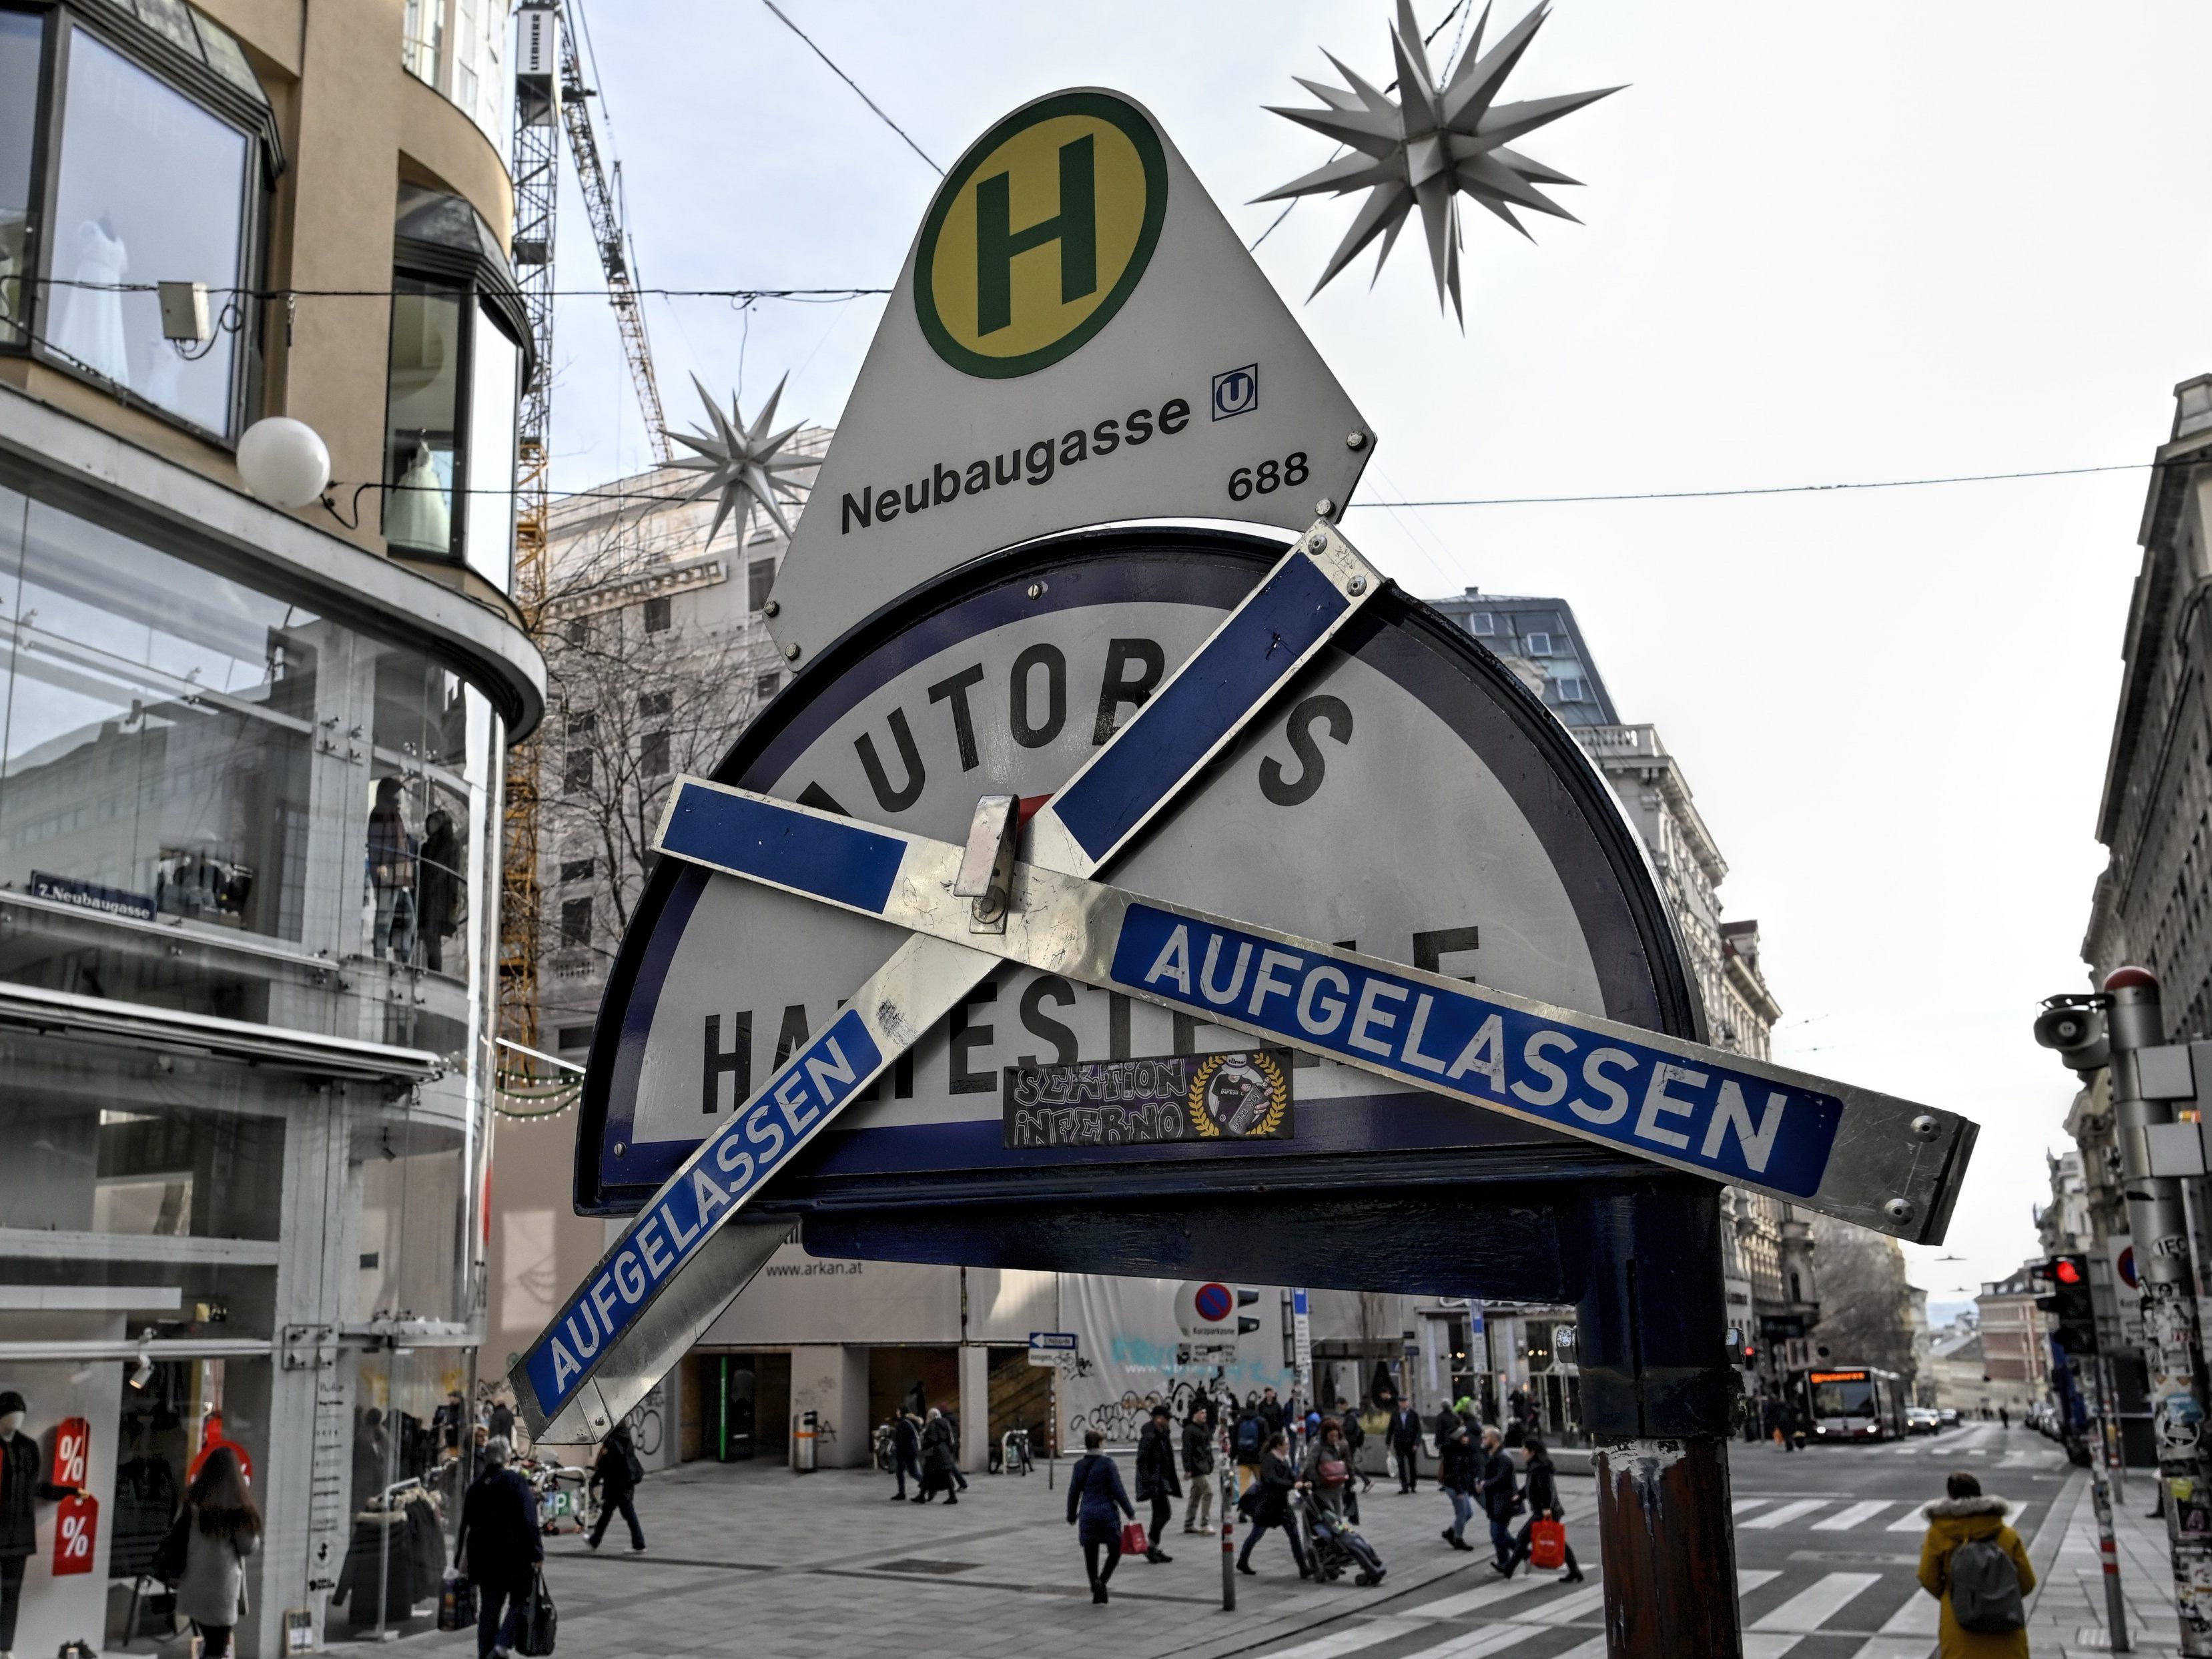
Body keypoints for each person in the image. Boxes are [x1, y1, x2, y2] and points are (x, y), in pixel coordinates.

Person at [1916, 1470, 2034, 1658]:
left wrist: (1954, 1595)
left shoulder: (1938, 1534)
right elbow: (2027, 1582)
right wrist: (2001, 1593)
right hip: (2005, 1624)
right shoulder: (2007, 1535)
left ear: (1951, 1496)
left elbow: (1927, 1576)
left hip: (1959, 1623)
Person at [173, 1445, 260, 1659]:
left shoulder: (192, 1501)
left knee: (212, 1643)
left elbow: (178, 1536)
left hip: (194, 1582)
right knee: (217, 1647)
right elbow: (248, 1547)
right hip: (221, 1589)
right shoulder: (237, 1509)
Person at [458, 1437, 541, 1659]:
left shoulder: (476, 1486)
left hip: (484, 1560)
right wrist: (537, 1551)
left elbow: (465, 1526)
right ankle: (502, 1645)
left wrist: (459, 1560)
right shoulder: (515, 1481)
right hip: (514, 1557)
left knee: (489, 1609)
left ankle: (486, 1653)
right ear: (507, 1457)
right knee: (520, 1600)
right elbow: (529, 1519)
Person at [1066, 1430, 1136, 1604]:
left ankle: (1095, 1588)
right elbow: (1118, 1490)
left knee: (1091, 1553)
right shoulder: (1108, 1464)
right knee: (1116, 1549)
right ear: (1099, 1444)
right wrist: (1130, 1512)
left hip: (1087, 1514)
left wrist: (1071, 1515)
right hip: (1107, 1514)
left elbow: (1074, 1492)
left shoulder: (1079, 1465)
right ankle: (1101, 1581)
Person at [1503, 1438, 1583, 1582]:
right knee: (1559, 1542)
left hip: (1546, 1511)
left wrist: (1546, 1508)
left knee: (1523, 1537)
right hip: (1547, 1510)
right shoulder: (1536, 1466)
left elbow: (1546, 1489)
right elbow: (1531, 1487)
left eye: (1524, 1449)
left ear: (1532, 1452)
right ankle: (1575, 1571)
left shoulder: (1540, 1467)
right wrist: (1519, 1496)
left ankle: (1509, 1569)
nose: (1522, 1452)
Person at [1236, 1431, 1311, 1579]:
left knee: (1294, 1534)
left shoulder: (1283, 1459)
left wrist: (1301, 1484)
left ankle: (1303, 1567)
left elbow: (1291, 1475)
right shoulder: (1269, 1460)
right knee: (1256, 1534)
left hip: (1281, 1504)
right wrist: (1292, 1485)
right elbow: (1272, 1481)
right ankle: (1242, 1561)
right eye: (1286, 1444)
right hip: (1267, 1505)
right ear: (1279, 1446)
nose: (1289, 1446)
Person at [587, 1421, 645, 1553]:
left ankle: (639, 1544)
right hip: (625, 1481)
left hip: (617, 1484)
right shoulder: (625, 1435)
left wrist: (594, 1482)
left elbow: (605, 1464)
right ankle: (594, 1541)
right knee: (608, 1512)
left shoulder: (613, 1441)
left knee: (627, 1513)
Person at [1135, 1403, 1180, 1561]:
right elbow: (1142, 1460)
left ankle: (1153, 1548)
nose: (1168, 1421)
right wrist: (1149, 1480)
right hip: (1155, 1481)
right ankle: (1151, 1546)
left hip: (1162, 1479)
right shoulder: (1149, 1436)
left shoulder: (1162, 1433)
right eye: (1166, 1419)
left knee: (1159, 1514)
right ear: (1158, 1418)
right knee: (1165, 1513)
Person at [1477, 1426, 1520, 1572]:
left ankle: (1507, 1561)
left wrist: (1485, 1485)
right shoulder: (1495, 1455)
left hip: (1504, 1502)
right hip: (1498, 1502)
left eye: (1486, 1438)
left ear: (1494, 1439)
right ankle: (1512, 1558)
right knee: (1500, 1534)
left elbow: (1502, 1479)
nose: (1483, 1440)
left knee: (1497, 1533)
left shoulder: (1503, 1457)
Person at [1301, 1417, 1355, 1528]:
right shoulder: (1317, 1446)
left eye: (1336, 1436)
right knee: (1330, 1518)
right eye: (1331, 1436)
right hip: (1323, 1488)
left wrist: (1351, 1480)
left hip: (1337, 1487)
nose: (1334, 1439)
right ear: (1325, 1435)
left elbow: (1348, 1463)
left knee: (1339, 1519)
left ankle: (1337, 1541)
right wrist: (1317, 1481)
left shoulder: (1341, 1445)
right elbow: (1310, 1466)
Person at [1437, 1421, 1477, 1552]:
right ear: (1459, 1438)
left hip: (1461, 1486)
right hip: (1455, 1487)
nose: (1467, 1438)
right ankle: (1458, 1539)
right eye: (1465, 1436)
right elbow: (1454, 1474)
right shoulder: (1453, 1453)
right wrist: (1459, 1491)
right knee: (1462, 1513)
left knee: (1468, 1513)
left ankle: (1451, 1531)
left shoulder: (1464, 1450)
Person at [1181, 1405, 1216, 1534]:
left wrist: (1211, 1463)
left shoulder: (1204, 1428)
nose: (1204, 1415)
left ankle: (1189, 1524)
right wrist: (1188, 1469)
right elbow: (1186, 1451)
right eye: (1202, 1413)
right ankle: (1205, 1523)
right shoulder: (1189, 1430)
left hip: (1204, 1466)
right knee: (1208, 1492)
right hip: (1196, 1468)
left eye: (1205, 1413)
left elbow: (1208, 1448)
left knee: (1196, 1495)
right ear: (1194, 1415)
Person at [919, 1407, 960, 1504]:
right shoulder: (945, 1422)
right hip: (944, 1451)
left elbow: (932, 1439)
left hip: (935, 1453)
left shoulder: (933, 1425)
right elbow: (951, 1439)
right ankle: (921, 1495)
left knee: (931, 1473)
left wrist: (924, 1444)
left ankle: (952, 1497)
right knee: (938, 1474)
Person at [1389, 1400, 1423, 1493]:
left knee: (1412, 1465)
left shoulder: (1413, 1414)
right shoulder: (1395, 1413)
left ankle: (1413, 1485)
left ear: (1407, 1403)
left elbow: (1418, 1430)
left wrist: (1416, 1443)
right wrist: (1388, 1442)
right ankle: (1404, 1486)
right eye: (1401, 1402)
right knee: (1401, 1465)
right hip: (1399, 1444)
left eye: (1405, 1402)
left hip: (1411, 1444)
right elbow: (1391, 1428)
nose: (1403, 1404)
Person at [891, 1409, 923, 1501]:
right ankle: (901, 1493)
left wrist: (897, 1451)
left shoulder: (904, 1424)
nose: (896, 1413)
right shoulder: (909, 1422)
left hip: (906, 1453)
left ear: (901, 1413)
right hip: (909, 1451)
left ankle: (929, 1486)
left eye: (898, 1411)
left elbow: (901, 1440)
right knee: (900, 1472)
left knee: (913, 1473)